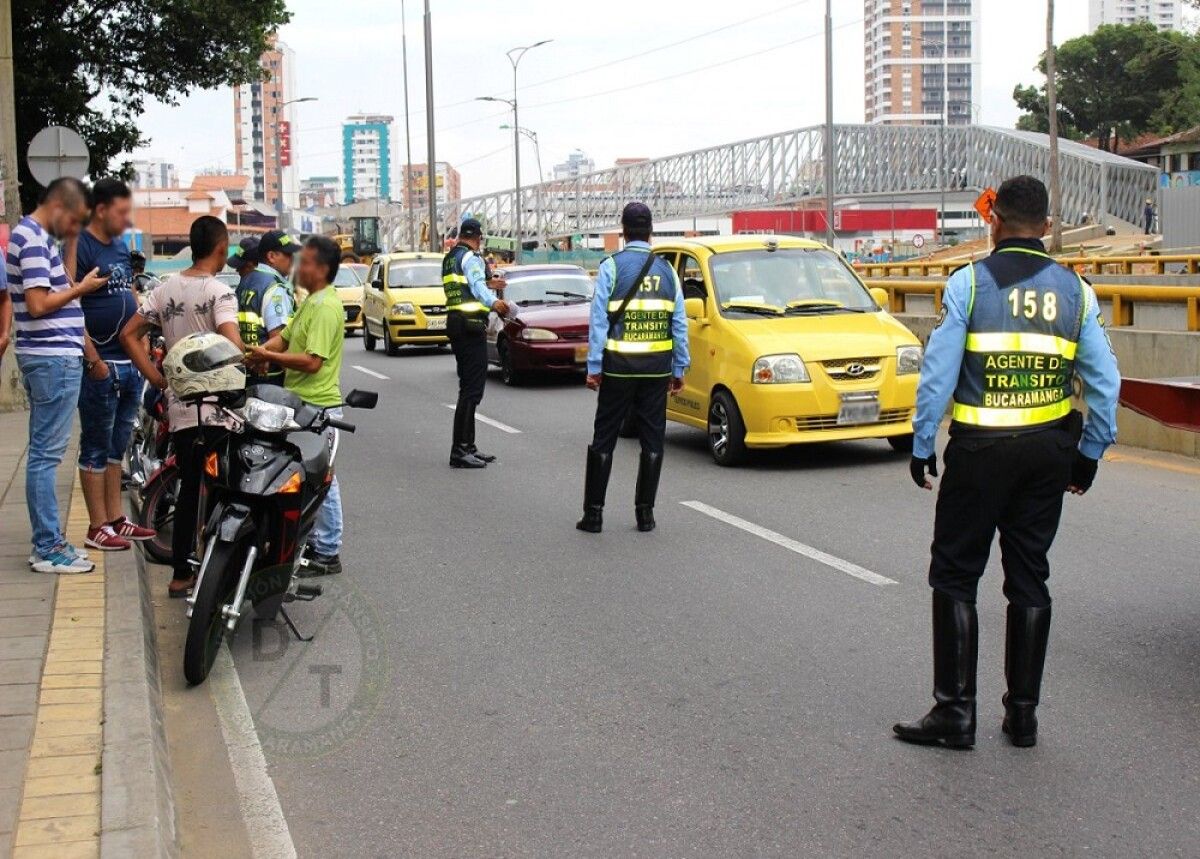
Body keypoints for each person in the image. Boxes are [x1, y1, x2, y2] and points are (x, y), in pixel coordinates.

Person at [893, 175, 1120, 750]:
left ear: (995, 222)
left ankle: (955, 714)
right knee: (1029, 578)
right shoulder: (1077, 292)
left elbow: (938, 374)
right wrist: (1088, 455)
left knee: (954, 573)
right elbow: (1106, 386)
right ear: (1046, 226)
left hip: (979, 453)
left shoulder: (969, 284)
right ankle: (1022, 717)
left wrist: (922, 442)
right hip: (1047, 455)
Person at [119, 216, 243, 597]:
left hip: (181, 407)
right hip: (219, 409)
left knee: (190, 487)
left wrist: (157, 379)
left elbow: (129, 335)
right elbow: (234, 347)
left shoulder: (165, 289)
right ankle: (216, 568)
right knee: (225, 487)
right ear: (221, 249)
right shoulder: (219, 292)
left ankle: (179, 574)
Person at [7, 178, 110, 574]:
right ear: (61, 208)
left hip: (50, 357)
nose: (76, 231)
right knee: (46, 457)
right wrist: (81, 288)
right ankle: (48, 547)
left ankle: (49, 543)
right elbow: (37, 305)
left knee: (44, 454)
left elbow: (57, 288)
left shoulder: (36, 238)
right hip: (51, 359)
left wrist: (72, 269)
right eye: (75, 222)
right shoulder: (32, 240)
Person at [576, 202, 689, 534]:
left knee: (604, 438)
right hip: (656, 370)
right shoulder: (667, 271)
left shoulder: (611, 267)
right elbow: (678, 323)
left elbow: (598, 323)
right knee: (652, 439)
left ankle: (594, 515)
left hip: (618, 369)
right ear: (651, 231)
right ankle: (646, 515)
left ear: (623, 232)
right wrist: (679, 368)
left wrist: (594, 367)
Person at [247, 236, 347, 576]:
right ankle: (309, 542)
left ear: (320, 269)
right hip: (299, 403)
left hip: (320, 407)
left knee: (322, 481)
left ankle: (328, 552)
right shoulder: (310, 301)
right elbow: (286, 335)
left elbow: (311, 361)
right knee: (300, 477)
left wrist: (269, 356)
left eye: (304, 263)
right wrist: (261, 353)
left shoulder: (325, 307)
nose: (297, 268)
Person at [67, 178, 156, 551]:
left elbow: (131, 292)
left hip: (129, 362)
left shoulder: (120, 246)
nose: (126, 219)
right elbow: (69, 301)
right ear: (101, 210)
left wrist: (144, 345)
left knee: (118, 444)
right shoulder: (78, 243)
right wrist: (92, 360)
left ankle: (116, 519)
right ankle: (96, 526)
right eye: (121, 212)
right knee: (95, 444)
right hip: (101, 364)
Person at [442, 218, 509, 468]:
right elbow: (477, 286)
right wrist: (494, 302)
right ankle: (460, 450)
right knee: (471, 390)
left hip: (457, 323)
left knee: (468, 388)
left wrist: (490, 284)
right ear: (478, 237)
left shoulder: (451, 257)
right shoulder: (470, 257)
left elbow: (468, 286)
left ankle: (468, 446)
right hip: (470, 326)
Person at [236, 229, 297, 385]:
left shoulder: (245, 282)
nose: (292, 259)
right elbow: (279, 338)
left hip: (245, 372)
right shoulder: (274, 287)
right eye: (287, 255)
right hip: (270, 374)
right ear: (271, 256)